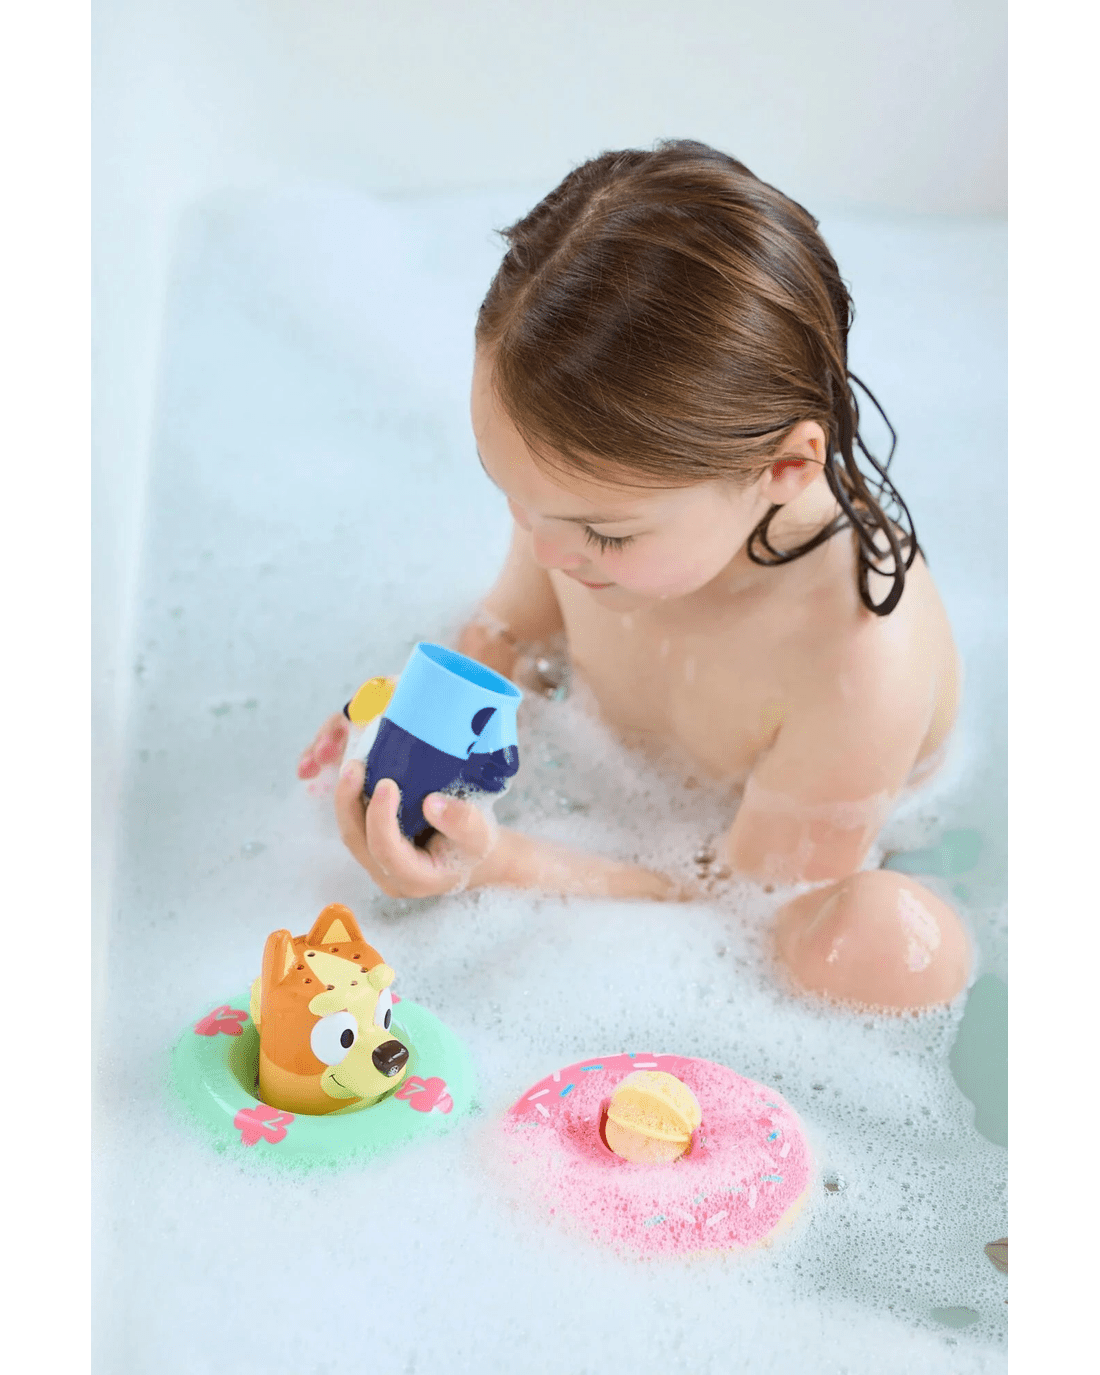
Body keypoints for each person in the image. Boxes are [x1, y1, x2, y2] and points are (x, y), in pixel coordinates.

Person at [297, 141, 966, 1002]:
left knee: (877, 943)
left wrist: (499, 863)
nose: (546, 552)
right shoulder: (585, 498)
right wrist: (410, 726)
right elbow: (509, 632)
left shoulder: (855, 655)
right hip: (643, 808)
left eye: (600, 534)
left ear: (787, 468)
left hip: (792, 869)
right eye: (515, 498)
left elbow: (733, 906)